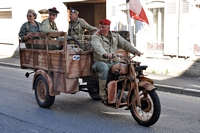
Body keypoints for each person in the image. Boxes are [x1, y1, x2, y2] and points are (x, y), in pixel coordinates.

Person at [90, 18, 141, 101]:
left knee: (125, 67)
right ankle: (102, 94)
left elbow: (124, 44)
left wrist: (135, 51)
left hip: (114, 61)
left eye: (103, 27)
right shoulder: (96, 36)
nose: (100, 29)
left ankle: (122, 90)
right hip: (100, 61)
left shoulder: (115, 35)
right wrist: (105, 54)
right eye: (100, 27)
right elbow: (97, 47)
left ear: (108, 28)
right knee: (104, 68)